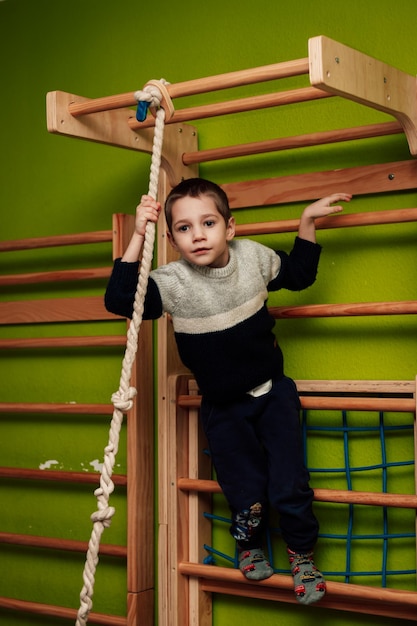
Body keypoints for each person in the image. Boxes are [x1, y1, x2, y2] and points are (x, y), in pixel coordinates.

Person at [105, 177, 352, 605]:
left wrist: (307, 222)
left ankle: (302, 555)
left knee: (289, 484)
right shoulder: (172, 283)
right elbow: (119, 300)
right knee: (244, 490)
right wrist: (137, 236)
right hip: (223, 406)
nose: (198, 235)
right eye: (184, 228)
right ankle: (249, 544)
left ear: (230, 227)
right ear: (171, 238)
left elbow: (298, 274)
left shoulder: (253, 257)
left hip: (273, 394)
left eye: (208, 223)